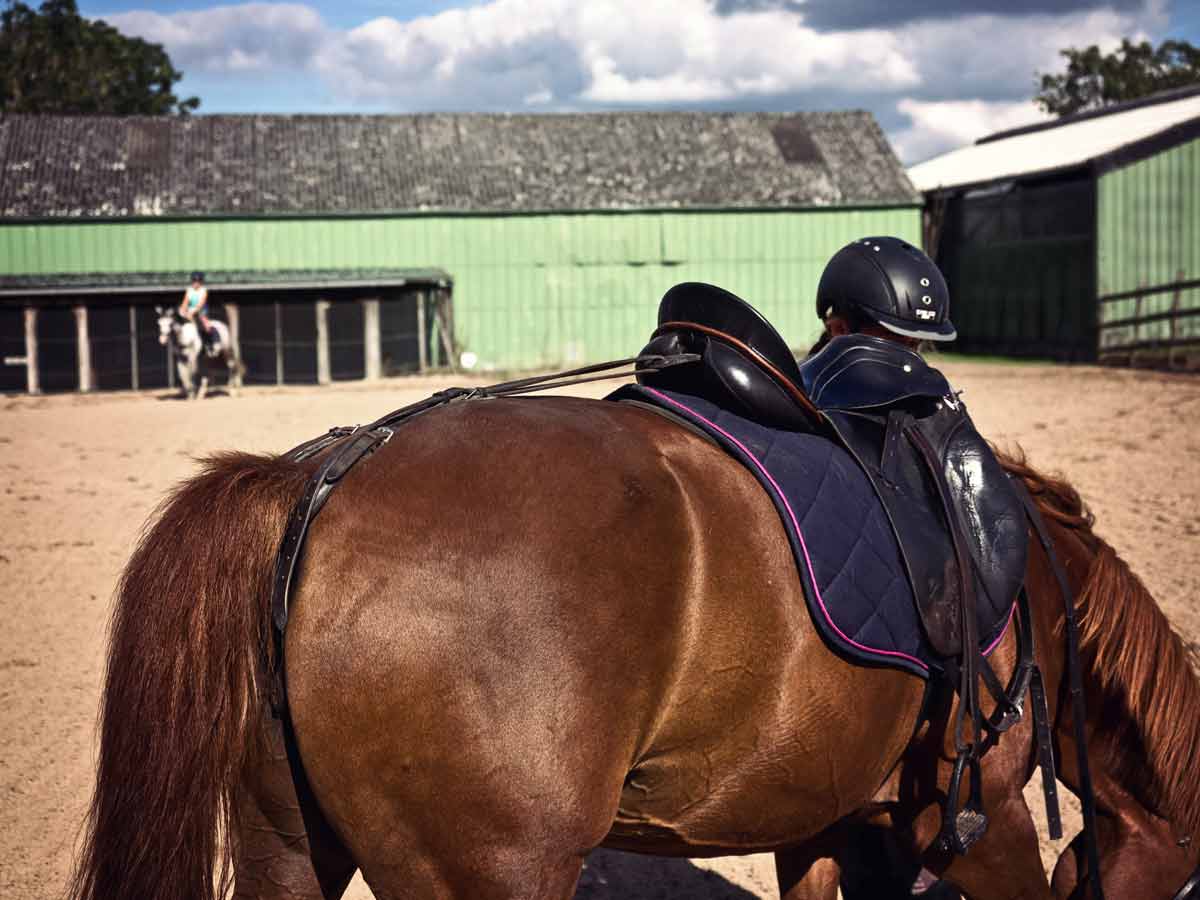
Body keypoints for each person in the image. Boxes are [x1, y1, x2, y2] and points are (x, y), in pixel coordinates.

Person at [809, 235, 956, 356]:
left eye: (913, 344)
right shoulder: (804, 390)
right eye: (894, 341)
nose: (908, 358)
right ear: (839, 329)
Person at [179, 271, 215, 352]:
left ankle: (209, 344)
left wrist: (193, 311)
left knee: (206, 327)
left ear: (201, 282)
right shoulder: (189, 290)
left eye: (198, 281)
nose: (195, 283)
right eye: (194, 281)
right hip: (190, 311)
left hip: (202, 311)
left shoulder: (203, 290)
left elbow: (201, 303)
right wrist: (182, 309)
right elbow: (185, 302)